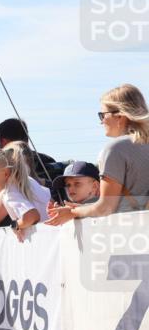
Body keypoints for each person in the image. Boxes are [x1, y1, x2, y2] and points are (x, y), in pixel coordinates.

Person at [48, 84, 149, 225]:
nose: (101, 121)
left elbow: (106, 207)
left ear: (120, 115)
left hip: (130, 234)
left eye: (102, 115)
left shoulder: (116, 149)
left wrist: (72, 212)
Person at [0, 142, 51, 242]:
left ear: (6, 173)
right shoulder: (27, 180)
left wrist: (15, 225)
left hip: (45, 239)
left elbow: (32, 216)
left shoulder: (9, 194)